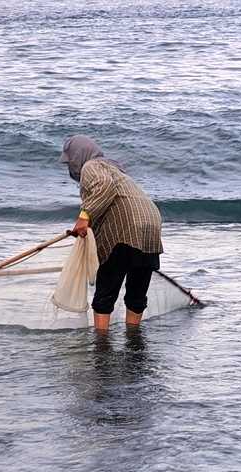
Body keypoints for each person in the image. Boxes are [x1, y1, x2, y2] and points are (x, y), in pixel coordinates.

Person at [61, 136, 164, 336]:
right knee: (137, 292)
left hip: (124, 230)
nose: (71, 165)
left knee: (105, 292)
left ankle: (102, 343)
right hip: (151, 226)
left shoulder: (91, 166)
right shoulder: (115, 169)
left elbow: (104, 187)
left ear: (78, 155)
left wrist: (84, 216)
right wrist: (87, 227)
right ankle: (134, 338)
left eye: (71, 159)